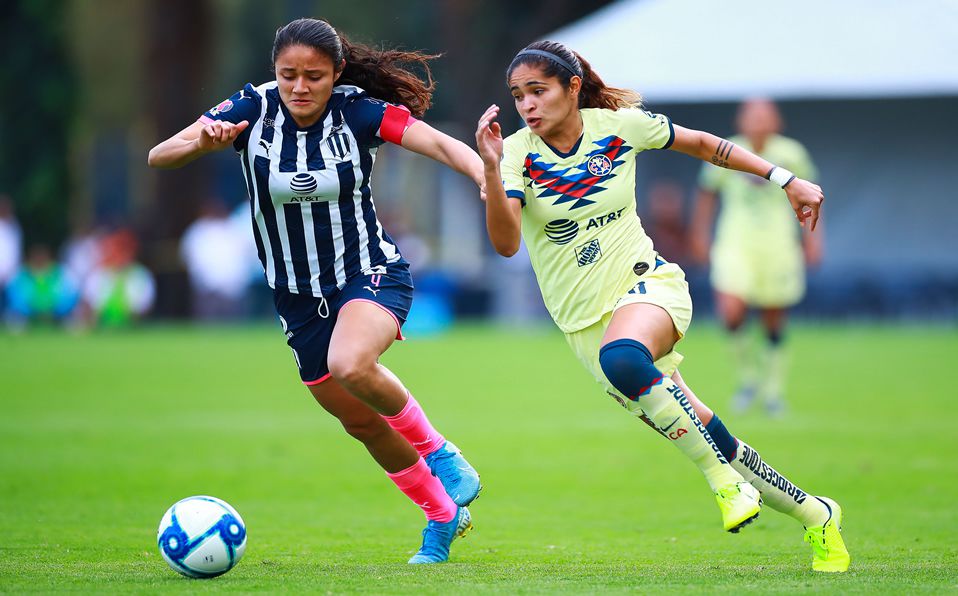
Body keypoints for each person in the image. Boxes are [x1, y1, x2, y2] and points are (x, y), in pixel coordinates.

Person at [476, 41, 849, 572]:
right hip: (582, 324)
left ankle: (722, 486)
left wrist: (785, 179)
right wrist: (491, 171)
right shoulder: (513, 153)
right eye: (518, 96)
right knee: (710, 433)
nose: (528, 105)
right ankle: (817, 515)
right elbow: (507, 244)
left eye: (539, 90)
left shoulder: (619, 126)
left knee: (625, 358)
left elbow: (701, 144)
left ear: (572, 87)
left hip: (648, 286)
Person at [148, 18, 484, 565]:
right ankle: (441, 516)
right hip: (295, 296)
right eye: (288, 76)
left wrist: (485, 173)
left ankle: (441, 452)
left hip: (368, 272)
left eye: (313, 76)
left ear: (336, 74)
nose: (300, 87)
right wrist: (200, 144)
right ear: (274, 73)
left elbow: (444, 147)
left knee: (351, 362)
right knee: (359, 421)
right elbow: (159, 155)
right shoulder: (250, 109)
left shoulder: (358, 112)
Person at [691, 99, 821, 415]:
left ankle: (774, 390)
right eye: (752, 115)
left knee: (773, 318)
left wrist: (812, 238)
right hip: (735, 242)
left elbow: (811, 197)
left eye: (765, 115)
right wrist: (699, 235)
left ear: (777, 121)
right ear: (741, 120)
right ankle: (748, 379)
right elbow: (706, 195)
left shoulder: (792, 153)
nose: (759, 121)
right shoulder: (726, 149)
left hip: (778, 243)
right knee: (731, 310)